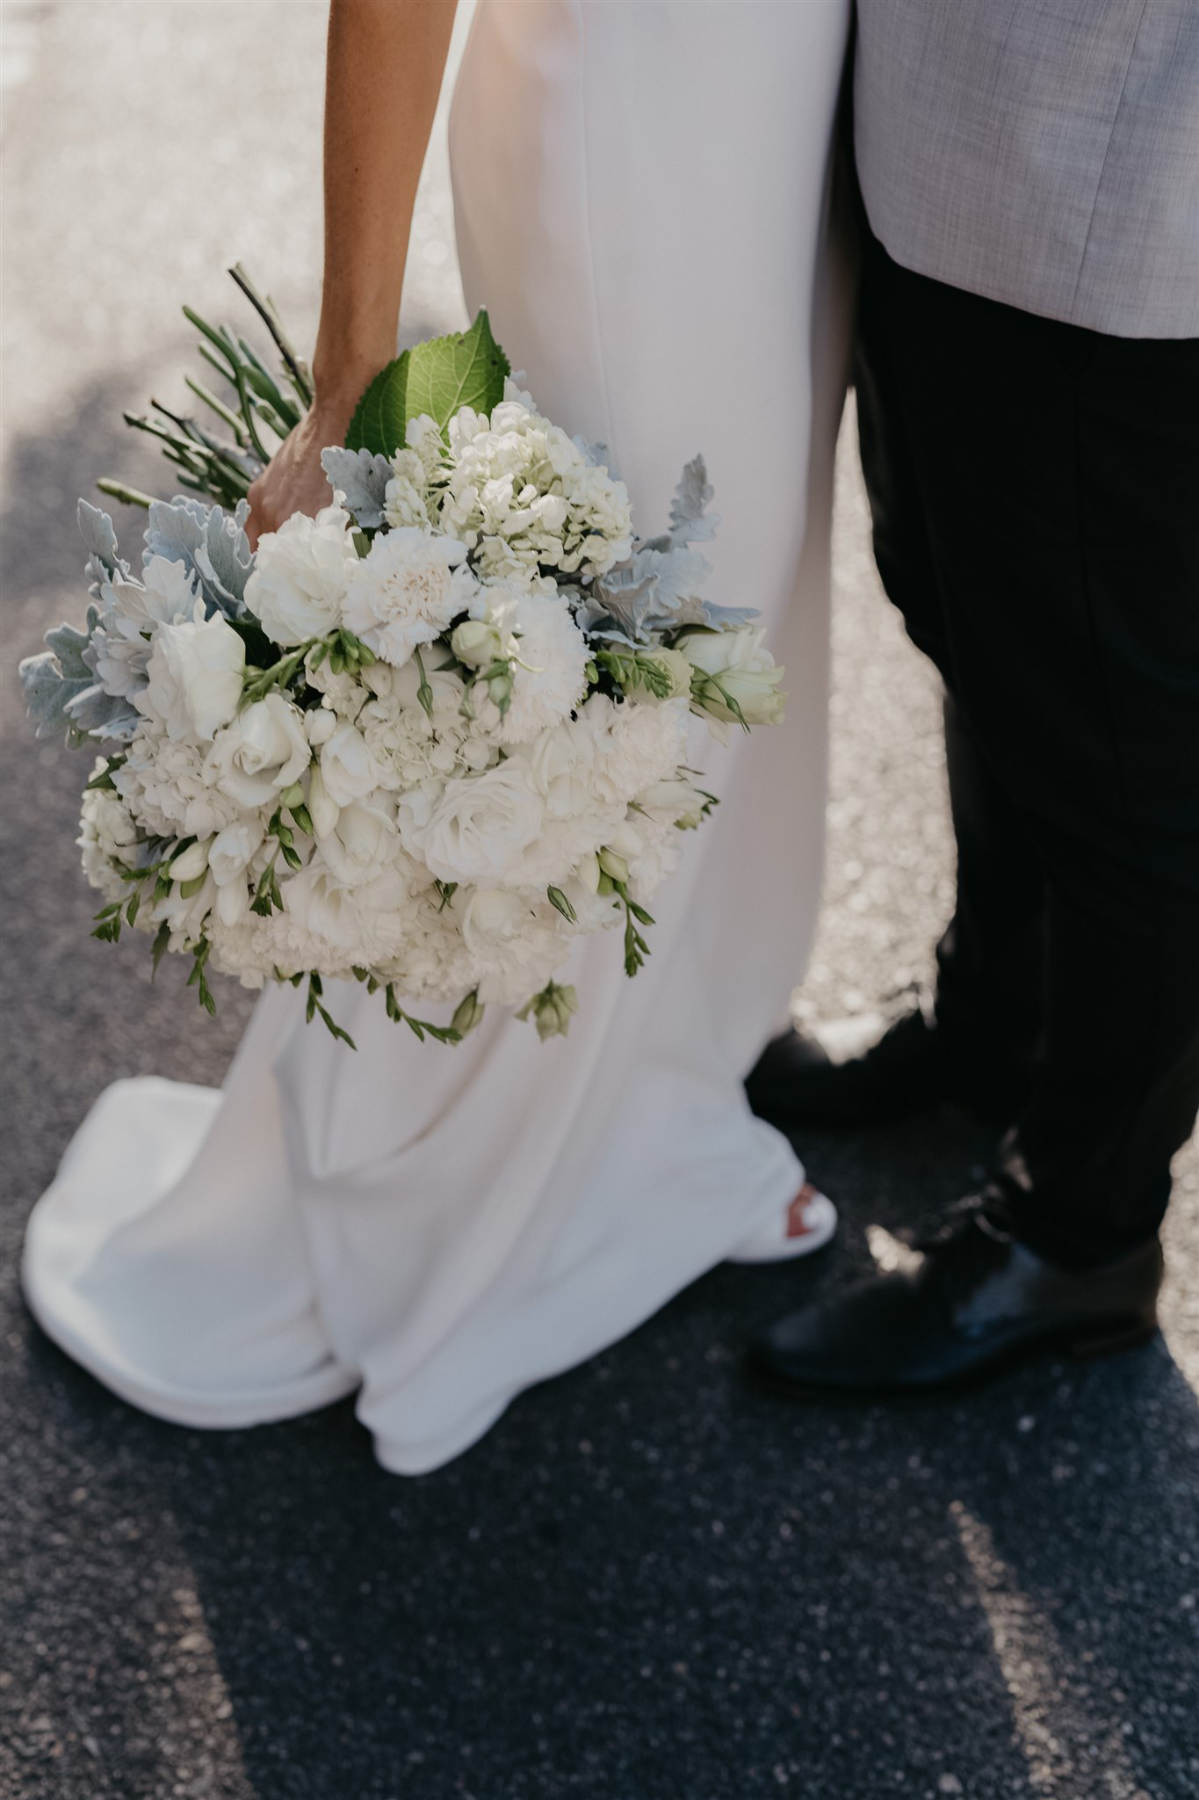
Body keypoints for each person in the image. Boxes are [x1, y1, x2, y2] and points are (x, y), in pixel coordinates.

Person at [22, 0, 853, 1473]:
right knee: (618, 677)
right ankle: (456, 1207)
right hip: (639, 158)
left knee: (733, 635)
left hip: (790, 118)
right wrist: (348, 383)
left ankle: (651, 1102)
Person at [750, 0, 1199, 1394]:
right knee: (965, 618)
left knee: (1122, 748)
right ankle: (995, 1028)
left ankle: (1080, 1232)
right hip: (943, 138)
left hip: (1115, 184)